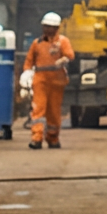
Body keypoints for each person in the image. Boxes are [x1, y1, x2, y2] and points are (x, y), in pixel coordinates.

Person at [22, 12, 74, 149]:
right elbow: (29, 61)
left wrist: (64, 59)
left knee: (54, 111)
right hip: (40, 80)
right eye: (46, 26)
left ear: (57, 28)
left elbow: (70, 54)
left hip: (57, 80)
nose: (48, 29)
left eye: (51, 27)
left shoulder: (62, 42)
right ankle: (36, 138)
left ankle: (53, 138)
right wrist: (26, 74)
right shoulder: (37, 43)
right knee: (38, 109)